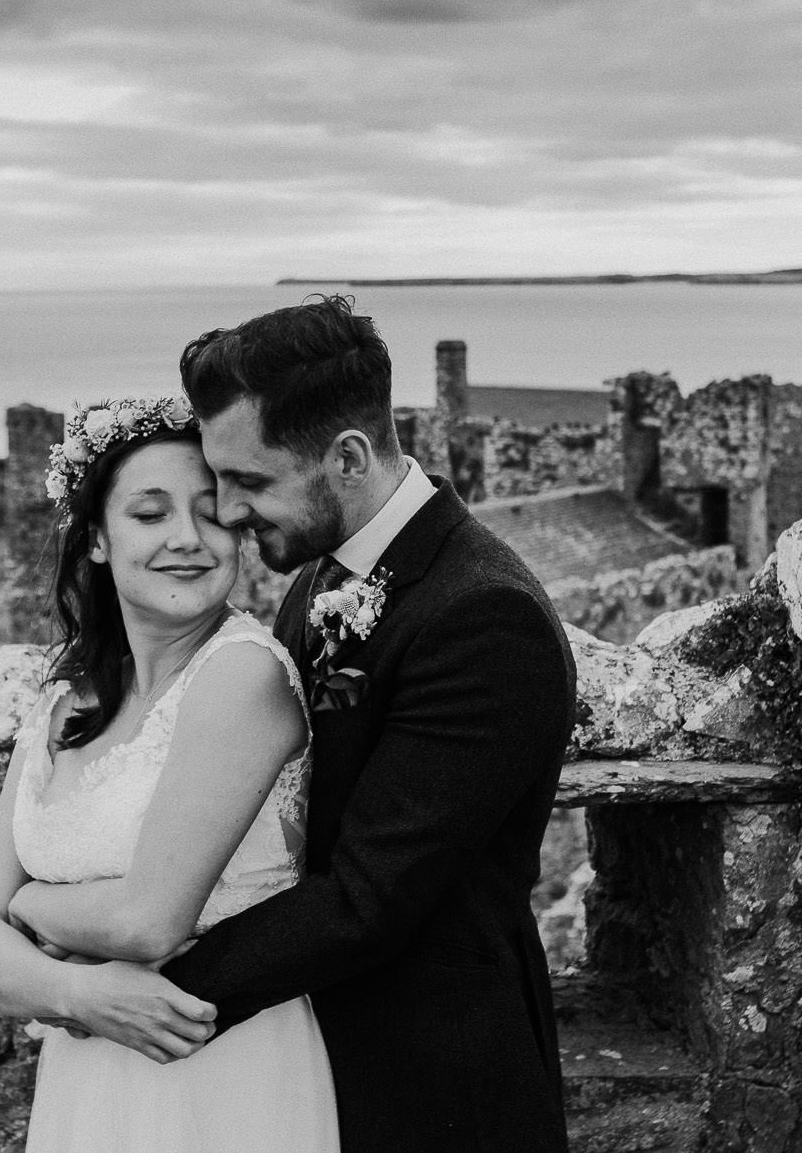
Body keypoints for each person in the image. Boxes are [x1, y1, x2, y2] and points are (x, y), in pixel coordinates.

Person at [129, 294, 576, 1152]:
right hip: (314, 1055)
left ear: (347, 456)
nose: (224, 510)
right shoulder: (324, 571)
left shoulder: (483, 615)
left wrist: (157, 991)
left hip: (432, 1077)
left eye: (249, 481)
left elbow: (370, 897)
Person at [0, 394, 342, 1153]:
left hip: (219, 1073)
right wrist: (79, 991)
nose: (188, 539)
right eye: (151, 514)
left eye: (211, 512)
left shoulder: (242, 677)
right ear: (97, 538)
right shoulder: (67, 698)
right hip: (88, 1075)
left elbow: (147, 921)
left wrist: (28, 904)